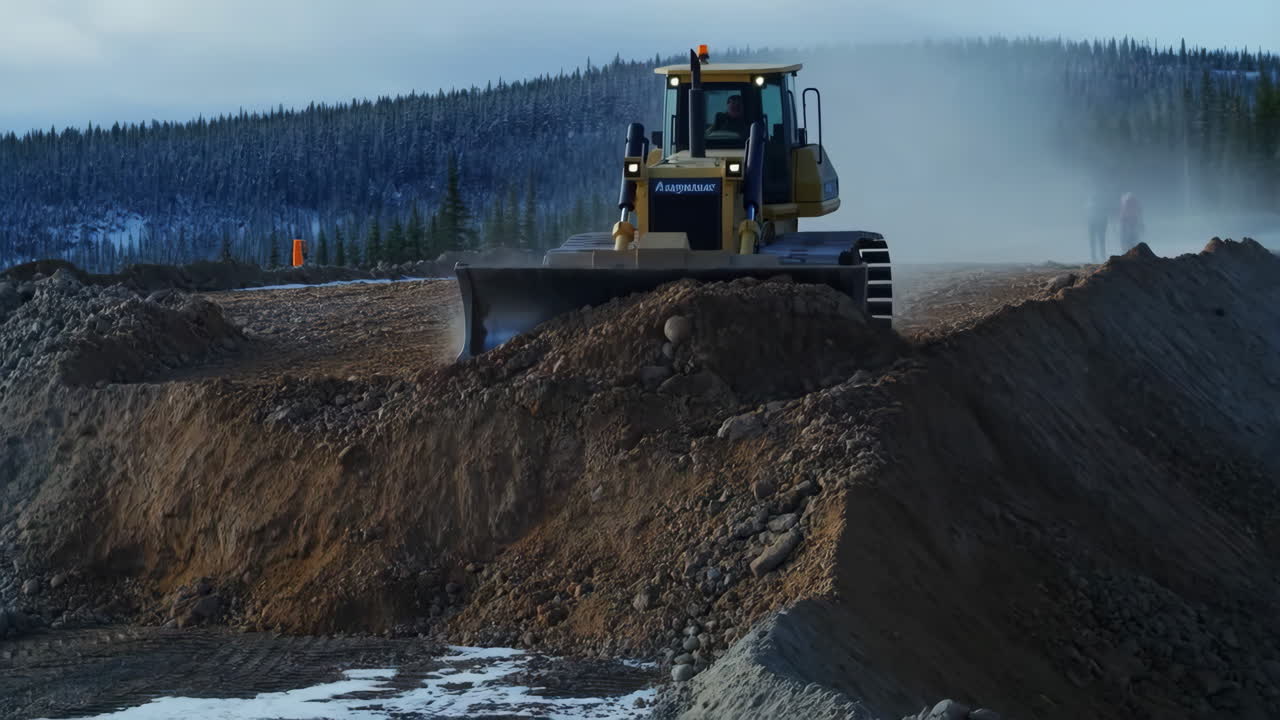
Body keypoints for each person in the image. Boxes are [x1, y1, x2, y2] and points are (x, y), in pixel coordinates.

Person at [1085, 188, 1111, 262]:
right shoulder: (1101, 206)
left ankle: (1094, 257)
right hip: (1100, 225)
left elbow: (1088, 218)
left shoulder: (1089, 205)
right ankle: (1102, 256)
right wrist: (1105, 226)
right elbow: (1105, 217)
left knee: (1093, 242)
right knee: (1101, 241)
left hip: (1093, 225)